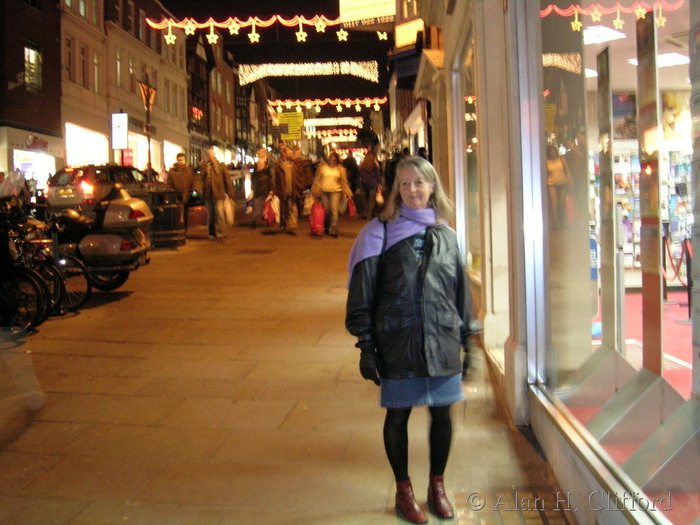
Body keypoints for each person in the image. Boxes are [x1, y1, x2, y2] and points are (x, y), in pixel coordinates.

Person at [345, 156, 471, 523]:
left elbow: (461, 294)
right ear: (395, 191)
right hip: (398, 342)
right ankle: (404, 491)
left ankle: (437, 487)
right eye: (405, 184)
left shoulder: (448, 235)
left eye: (420, 182)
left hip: (442, 340)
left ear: (433, 187)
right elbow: (361, 297)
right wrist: (366, 347)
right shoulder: (378, 233)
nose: (413, 190)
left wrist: (470, 341)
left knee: (442, 416)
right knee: (397, 417)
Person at [197, 147, 235, 240]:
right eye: (209, 155)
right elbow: (200, 178)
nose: (210, 156)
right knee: (210, 215)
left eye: (211, 154)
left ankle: (221, 232)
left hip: (218, 194)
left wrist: (230, 194)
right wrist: (198, 187)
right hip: (208, 194)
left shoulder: (221, 166)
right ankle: (211, 233)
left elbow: (227, 180)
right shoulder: (205, 167)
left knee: (220, 214)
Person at [311, 151, 352, 237]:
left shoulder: (340, 169)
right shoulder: (323, 168)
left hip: (336, 191)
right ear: (328, 159)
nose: (332, 160)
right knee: (326, 210)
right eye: (331, 158)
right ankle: (326, 226)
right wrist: (316, 190)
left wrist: (347, 192)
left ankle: (334, 229)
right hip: (324, 191)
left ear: (337, 160)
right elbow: (318, 179)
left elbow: (344, 182)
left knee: (334, 210)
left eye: (334, 159)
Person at [272, 144, 303, 234]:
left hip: (293, 190)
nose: (291, 154)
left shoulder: (295, 164)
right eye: (289, 152)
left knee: (293, 208)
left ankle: (293, 225)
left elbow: (299, 176)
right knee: (284, 208)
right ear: (284, 154)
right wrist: (275, 191)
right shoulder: (279, 166)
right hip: (283, 190)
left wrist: (299, 187)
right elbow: (275, 179)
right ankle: (283, 225)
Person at [166, 153, 195, 233]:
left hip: (186, 194)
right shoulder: (172, 172)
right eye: (179, 160)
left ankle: (184, 229)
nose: (180, 162)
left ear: (184, 160)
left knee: (184, 213)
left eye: (182, 160)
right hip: (176, 195)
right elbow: (169, 183)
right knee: (177, 213)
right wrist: (170, 190)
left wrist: (192, 190)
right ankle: (179, 228)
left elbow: (193, 181)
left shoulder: (189, 170)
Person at [545, 144, 572, 229]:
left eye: (553, 152)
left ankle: (562, 221)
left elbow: (567, 170)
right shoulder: (546, 162)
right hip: (551, 184)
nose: (552, 153)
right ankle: (555, 222)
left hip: (562, 183)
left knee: (561, 203)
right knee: (554, 203)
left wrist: (569, 179)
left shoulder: (561, 159)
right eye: (551, 152)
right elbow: (545, 173)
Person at [250, 147, 273, 229]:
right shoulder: (256, 165)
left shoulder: (268, 166)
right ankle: (254, 221)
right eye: (258, 154)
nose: (258, 155)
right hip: (258, 190)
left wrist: (271, 190)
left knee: (266, 207)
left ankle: (267, 221)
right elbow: (253, 178)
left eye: (259, 153)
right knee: (257, 208)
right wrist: (252, 188)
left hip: (265, 190)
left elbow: (270, 178)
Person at [358, 150, 383, 220]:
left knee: (366, 201)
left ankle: (367, 214)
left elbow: (361, 176)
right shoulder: (374, 165)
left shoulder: (362, 166)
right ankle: (369, 216)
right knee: (371, 201)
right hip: (374, 185)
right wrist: (379, 184)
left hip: (364, 185)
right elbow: (378, 176)